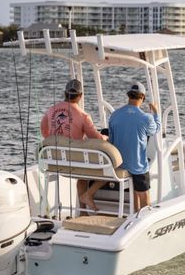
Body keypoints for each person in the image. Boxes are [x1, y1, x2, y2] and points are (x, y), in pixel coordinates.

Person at [41, 79, 107, 213]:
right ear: (80, 96)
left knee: (82, 170)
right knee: (86, 172)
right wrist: (105, 137)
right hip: (74, 163)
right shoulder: (83, 116)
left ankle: (82, 211)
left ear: (65, 93)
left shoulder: (50, 110)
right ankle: (83, 207)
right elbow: (95, 137)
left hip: (53, 162)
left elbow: (44, 131)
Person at [109, 82, 161, 212]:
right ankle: (144, 217)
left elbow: (112, 139)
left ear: (128, 95)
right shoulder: (146, 118)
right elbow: (156, 130)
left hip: (119, 164)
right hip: (137, 165)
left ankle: (135, 212)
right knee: (144, 194)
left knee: (136, 181)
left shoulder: (114, 115)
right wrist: (156, 113)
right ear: (142, 97)